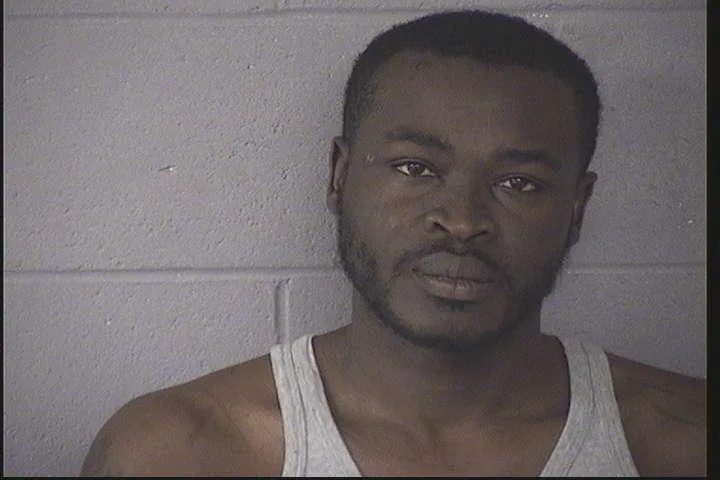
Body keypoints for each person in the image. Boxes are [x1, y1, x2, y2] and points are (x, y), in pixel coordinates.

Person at [81, 10, 706, 477]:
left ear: (577, 208)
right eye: (416, 168)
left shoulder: (686, 440)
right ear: (338, 176)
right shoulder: (181, 452)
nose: (461, 221)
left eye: (518, 182)